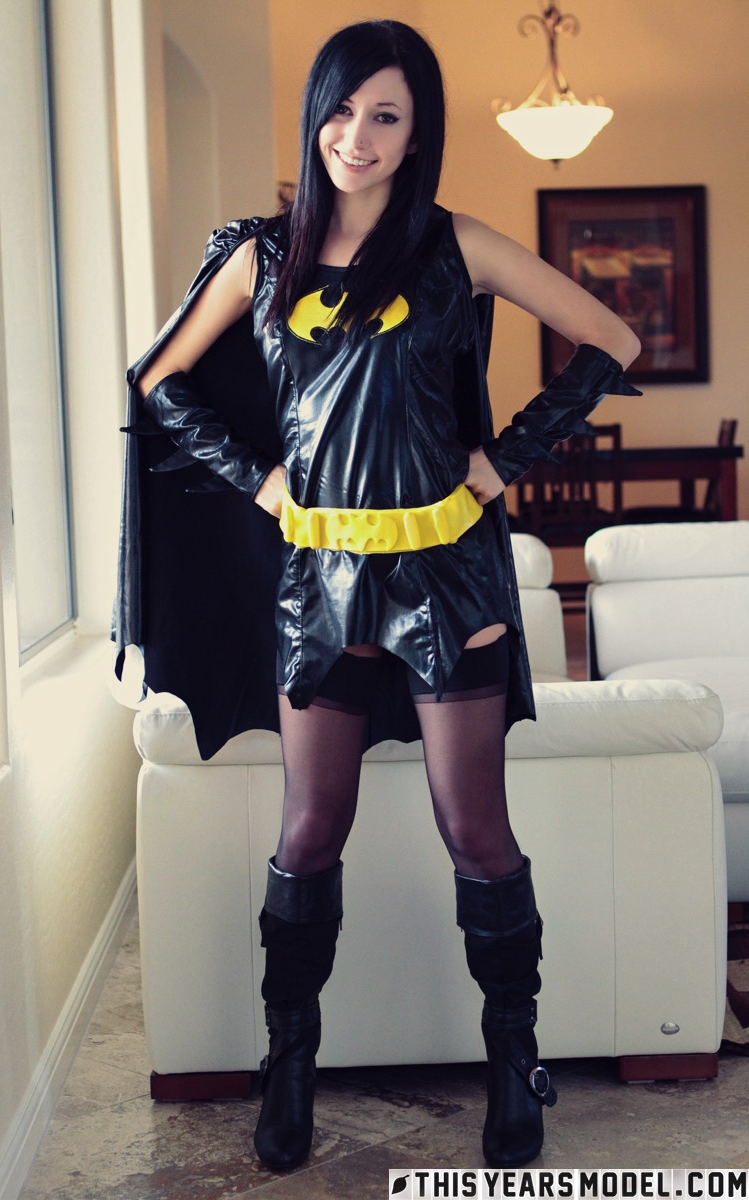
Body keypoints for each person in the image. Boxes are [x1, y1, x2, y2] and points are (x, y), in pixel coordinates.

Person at [115, 19, 640, 1174]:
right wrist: (255, 480)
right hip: (320, 581)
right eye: (342, 109)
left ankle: (514, 1062)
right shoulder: (260, 256)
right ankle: (288, 1064)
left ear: (417, 134)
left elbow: (609, 337)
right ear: (317, 113)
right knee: (310, 829)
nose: (357, 135)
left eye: (386, 115)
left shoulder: (454, 245)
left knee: (475, 830)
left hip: (447, 574)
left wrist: (502, 461)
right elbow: (157, 379)